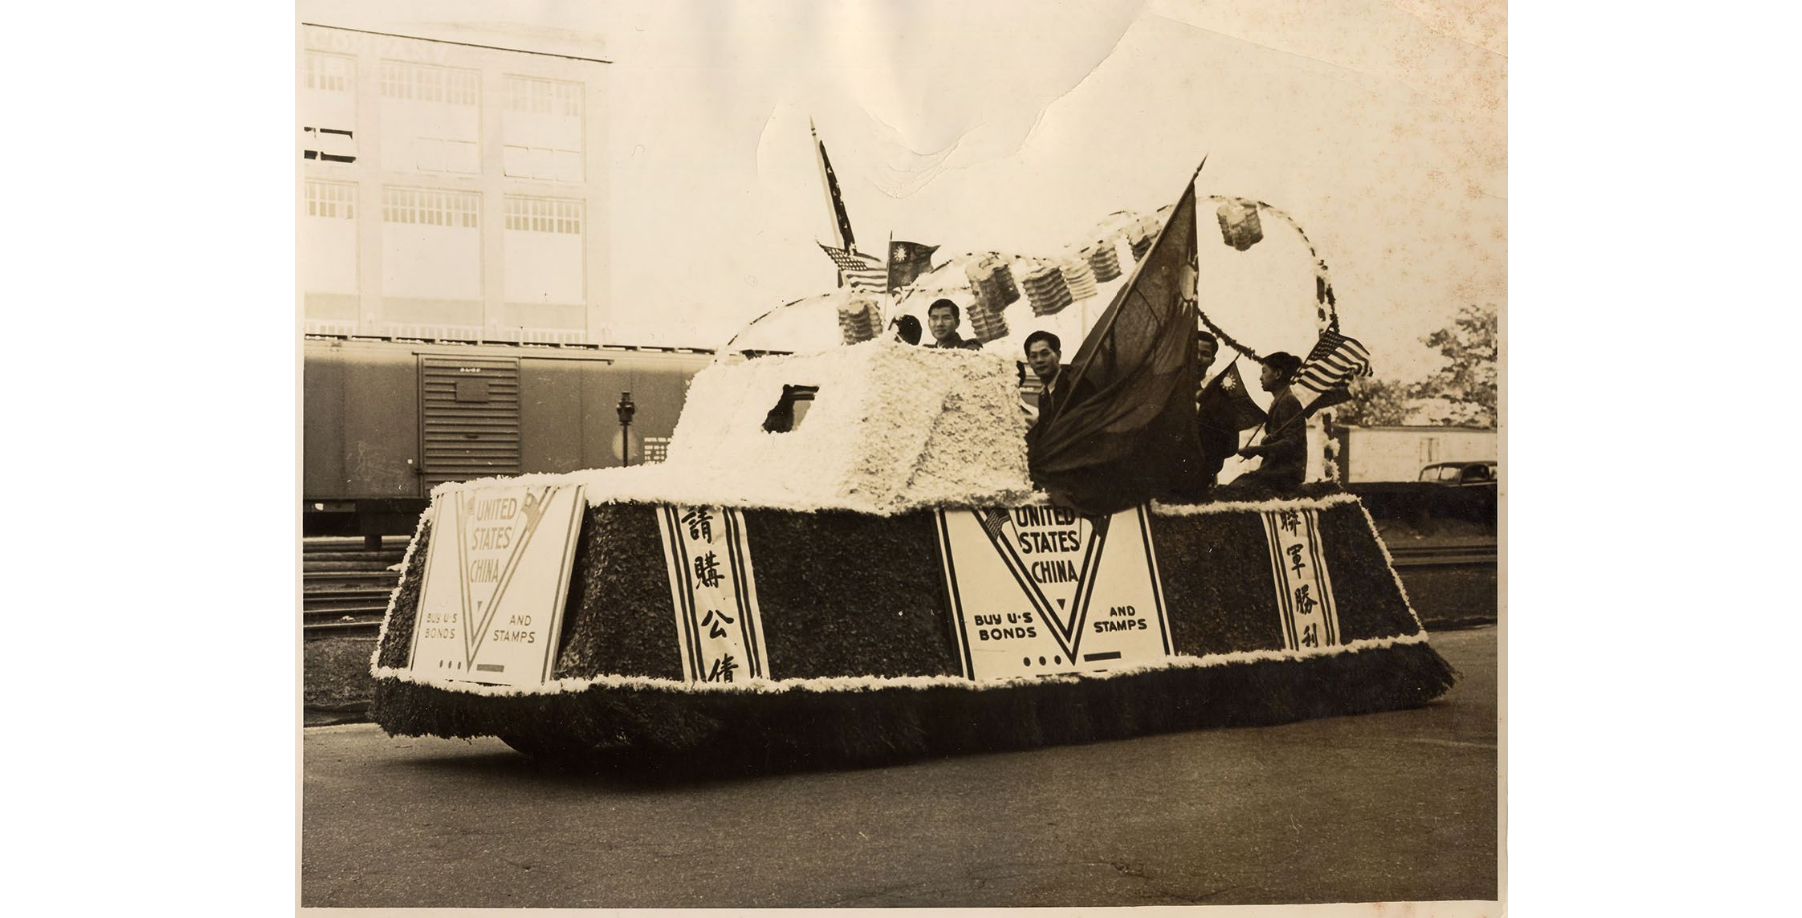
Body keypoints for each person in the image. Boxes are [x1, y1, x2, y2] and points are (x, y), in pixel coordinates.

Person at [1232, 351, 1306, 491]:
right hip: (1275, 473)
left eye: (1264, 372)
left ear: (1278, 374)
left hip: (1283, 476)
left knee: (1234, 489)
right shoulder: (1280, 401)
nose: (1260, 378)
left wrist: (1259, 449)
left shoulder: (1288, 401)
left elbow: (1292, 442)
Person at [1191, 330, 1238, 491]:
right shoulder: (1170, 388)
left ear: (1212, 360)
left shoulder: (1220, 394)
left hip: (1201, 477)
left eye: (1205, 354)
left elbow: (1230, 443)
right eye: (1193, 351)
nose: (1198, 358)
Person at [1024, 330, 1095, 426]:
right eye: (1033, 356)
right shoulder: (1043, 395)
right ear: (1029, 361)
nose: (1039, 360)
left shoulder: (1077, 385)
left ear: (1058, 355)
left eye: (1045, 353)